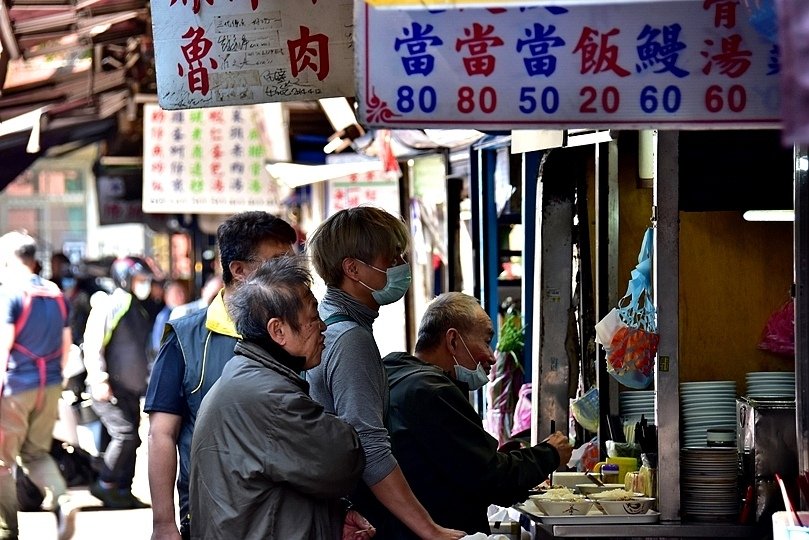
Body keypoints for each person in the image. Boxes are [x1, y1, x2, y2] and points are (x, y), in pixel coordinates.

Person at [306, 206, 464, 540]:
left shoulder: (328, 320)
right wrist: (430, 530)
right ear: (353, 269)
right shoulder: (350, 339)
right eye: (391, 259)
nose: (400, 267)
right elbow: (370, 446)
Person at [189, 256, 371, 540]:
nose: (323, 327)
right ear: (278, 330)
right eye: (313, 317)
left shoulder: (245, 375)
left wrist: (334, 517)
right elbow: (344, 461)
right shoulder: (272, 399)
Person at [145, 211, 296, 540]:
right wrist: (163, 523)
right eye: (276, 262)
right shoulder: (186, 338)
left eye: (291, 260)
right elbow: (161, 435)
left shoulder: (299, 331)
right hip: (212, 518)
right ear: (239, 271)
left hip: (288, 516)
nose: (290, 273)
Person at [382, 292, 574, 537]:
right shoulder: (432, 392)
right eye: (486, 342)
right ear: (452, 341)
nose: (492, 357)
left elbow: (462, 462)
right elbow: (492, 478)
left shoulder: (396, 376)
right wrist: (550, 454)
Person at [0, 231, 77, 540]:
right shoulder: (55, 293)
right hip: (50, 387)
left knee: (3, 461)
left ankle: (7, 530)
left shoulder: (10, 293)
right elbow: (66, 345)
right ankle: (62, 499)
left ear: (8, 258)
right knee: (36, 454)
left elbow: (3, 347)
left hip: (16, 388)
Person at [82, 255, 155, 509]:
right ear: (124, 278)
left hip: (132, 388)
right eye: (139, 279)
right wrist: (100, 378)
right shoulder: (110, 305)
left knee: (133, 438)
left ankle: (124, 490)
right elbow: (93, 344)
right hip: (109, 388)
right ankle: (105, 483)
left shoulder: (137, 306)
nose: (144, 284)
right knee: (124, 435)